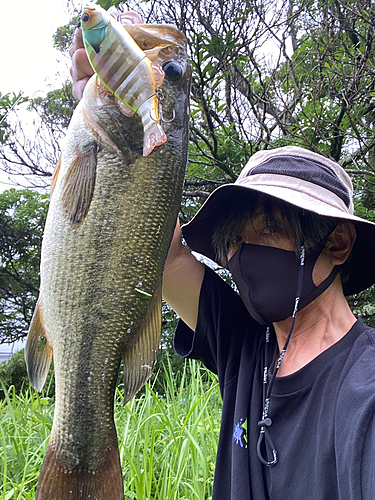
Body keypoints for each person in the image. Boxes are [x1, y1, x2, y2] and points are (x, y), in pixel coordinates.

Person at [70, 10, 375, 500]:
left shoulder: (366, 392)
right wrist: (124, 100)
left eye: (271, 227)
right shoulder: (245, 344)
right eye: (235, 237)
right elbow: (162, 253)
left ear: (337, 243)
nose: (242, 253)